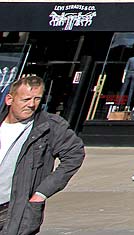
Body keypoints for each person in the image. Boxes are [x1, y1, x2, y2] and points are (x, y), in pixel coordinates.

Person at [0, 74, 85, 235]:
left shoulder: (50, 126)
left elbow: (74, 155)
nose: (32, 105)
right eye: (25, 99)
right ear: (9, 99)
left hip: (16, 208)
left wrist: (41, 193)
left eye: (37, 99)